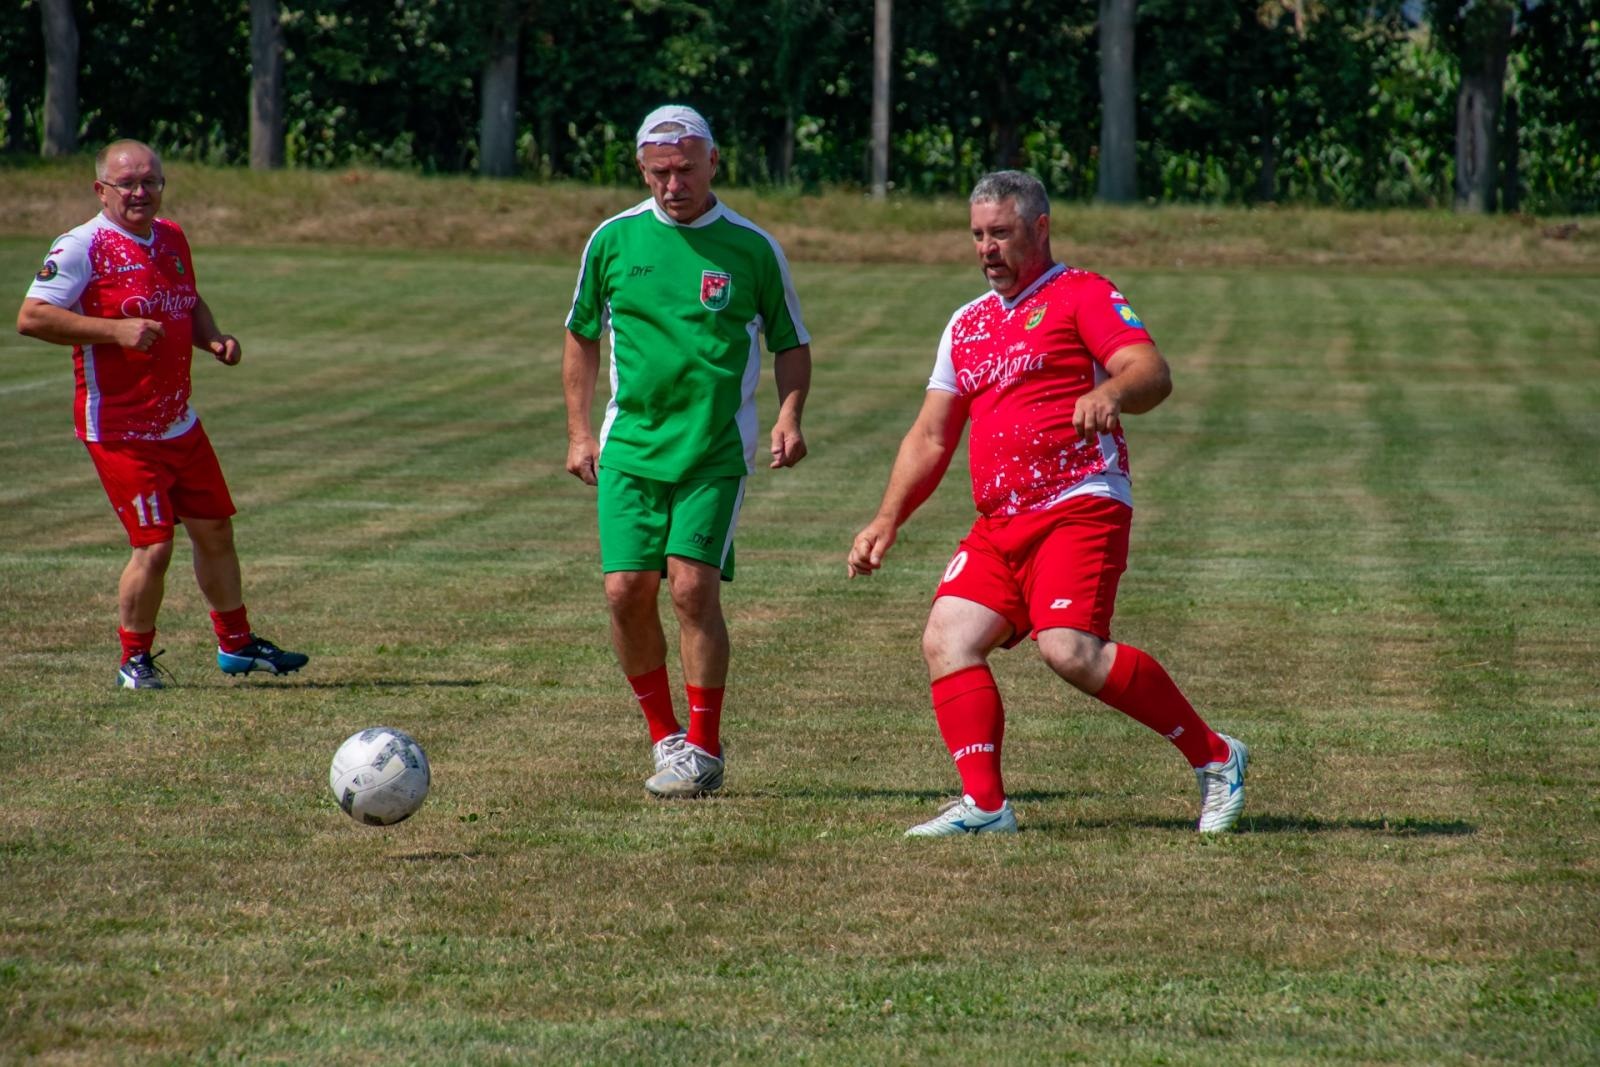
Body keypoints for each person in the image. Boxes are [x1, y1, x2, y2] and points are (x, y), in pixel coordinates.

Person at [847, 170, 1247, 836]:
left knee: (1070, 650)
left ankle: (1216, 756)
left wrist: (1111, 392)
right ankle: (986, 807)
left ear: (1040, 228)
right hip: (1000, 522)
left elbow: (1151, 371)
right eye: (977, 235)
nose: (987, 249)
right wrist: (887, 518)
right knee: (948, 637)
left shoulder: (1081, 294)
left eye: (1001, 233)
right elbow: (931, 435)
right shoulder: (966, 323)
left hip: (1078, 502)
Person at [563, 105, 812, 798]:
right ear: (642, 169)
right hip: (631, 447)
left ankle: (703, 747)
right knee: (624, 591)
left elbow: (791, 342)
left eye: (686, 170)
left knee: (691, 587)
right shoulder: (612, 240)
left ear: (714, 163)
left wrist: (790, 414)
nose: (674, 185)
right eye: (660, 173)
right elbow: (582, 333)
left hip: (712, 451)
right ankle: (666, 735)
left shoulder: (752, 248)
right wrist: (580, 432)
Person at [16, 140, 309, 690]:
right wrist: (114, 330)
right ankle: (134, 660)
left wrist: (213, 338)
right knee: (154, 546)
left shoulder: (170, 236)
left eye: (150, 181)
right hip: (121, 430)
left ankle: (236, 645)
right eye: (126, 183)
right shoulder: (81, 246)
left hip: (178, 421)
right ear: (101, 189)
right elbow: (32, 317)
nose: (140, 192)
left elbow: (187, 300)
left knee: (215, 529)